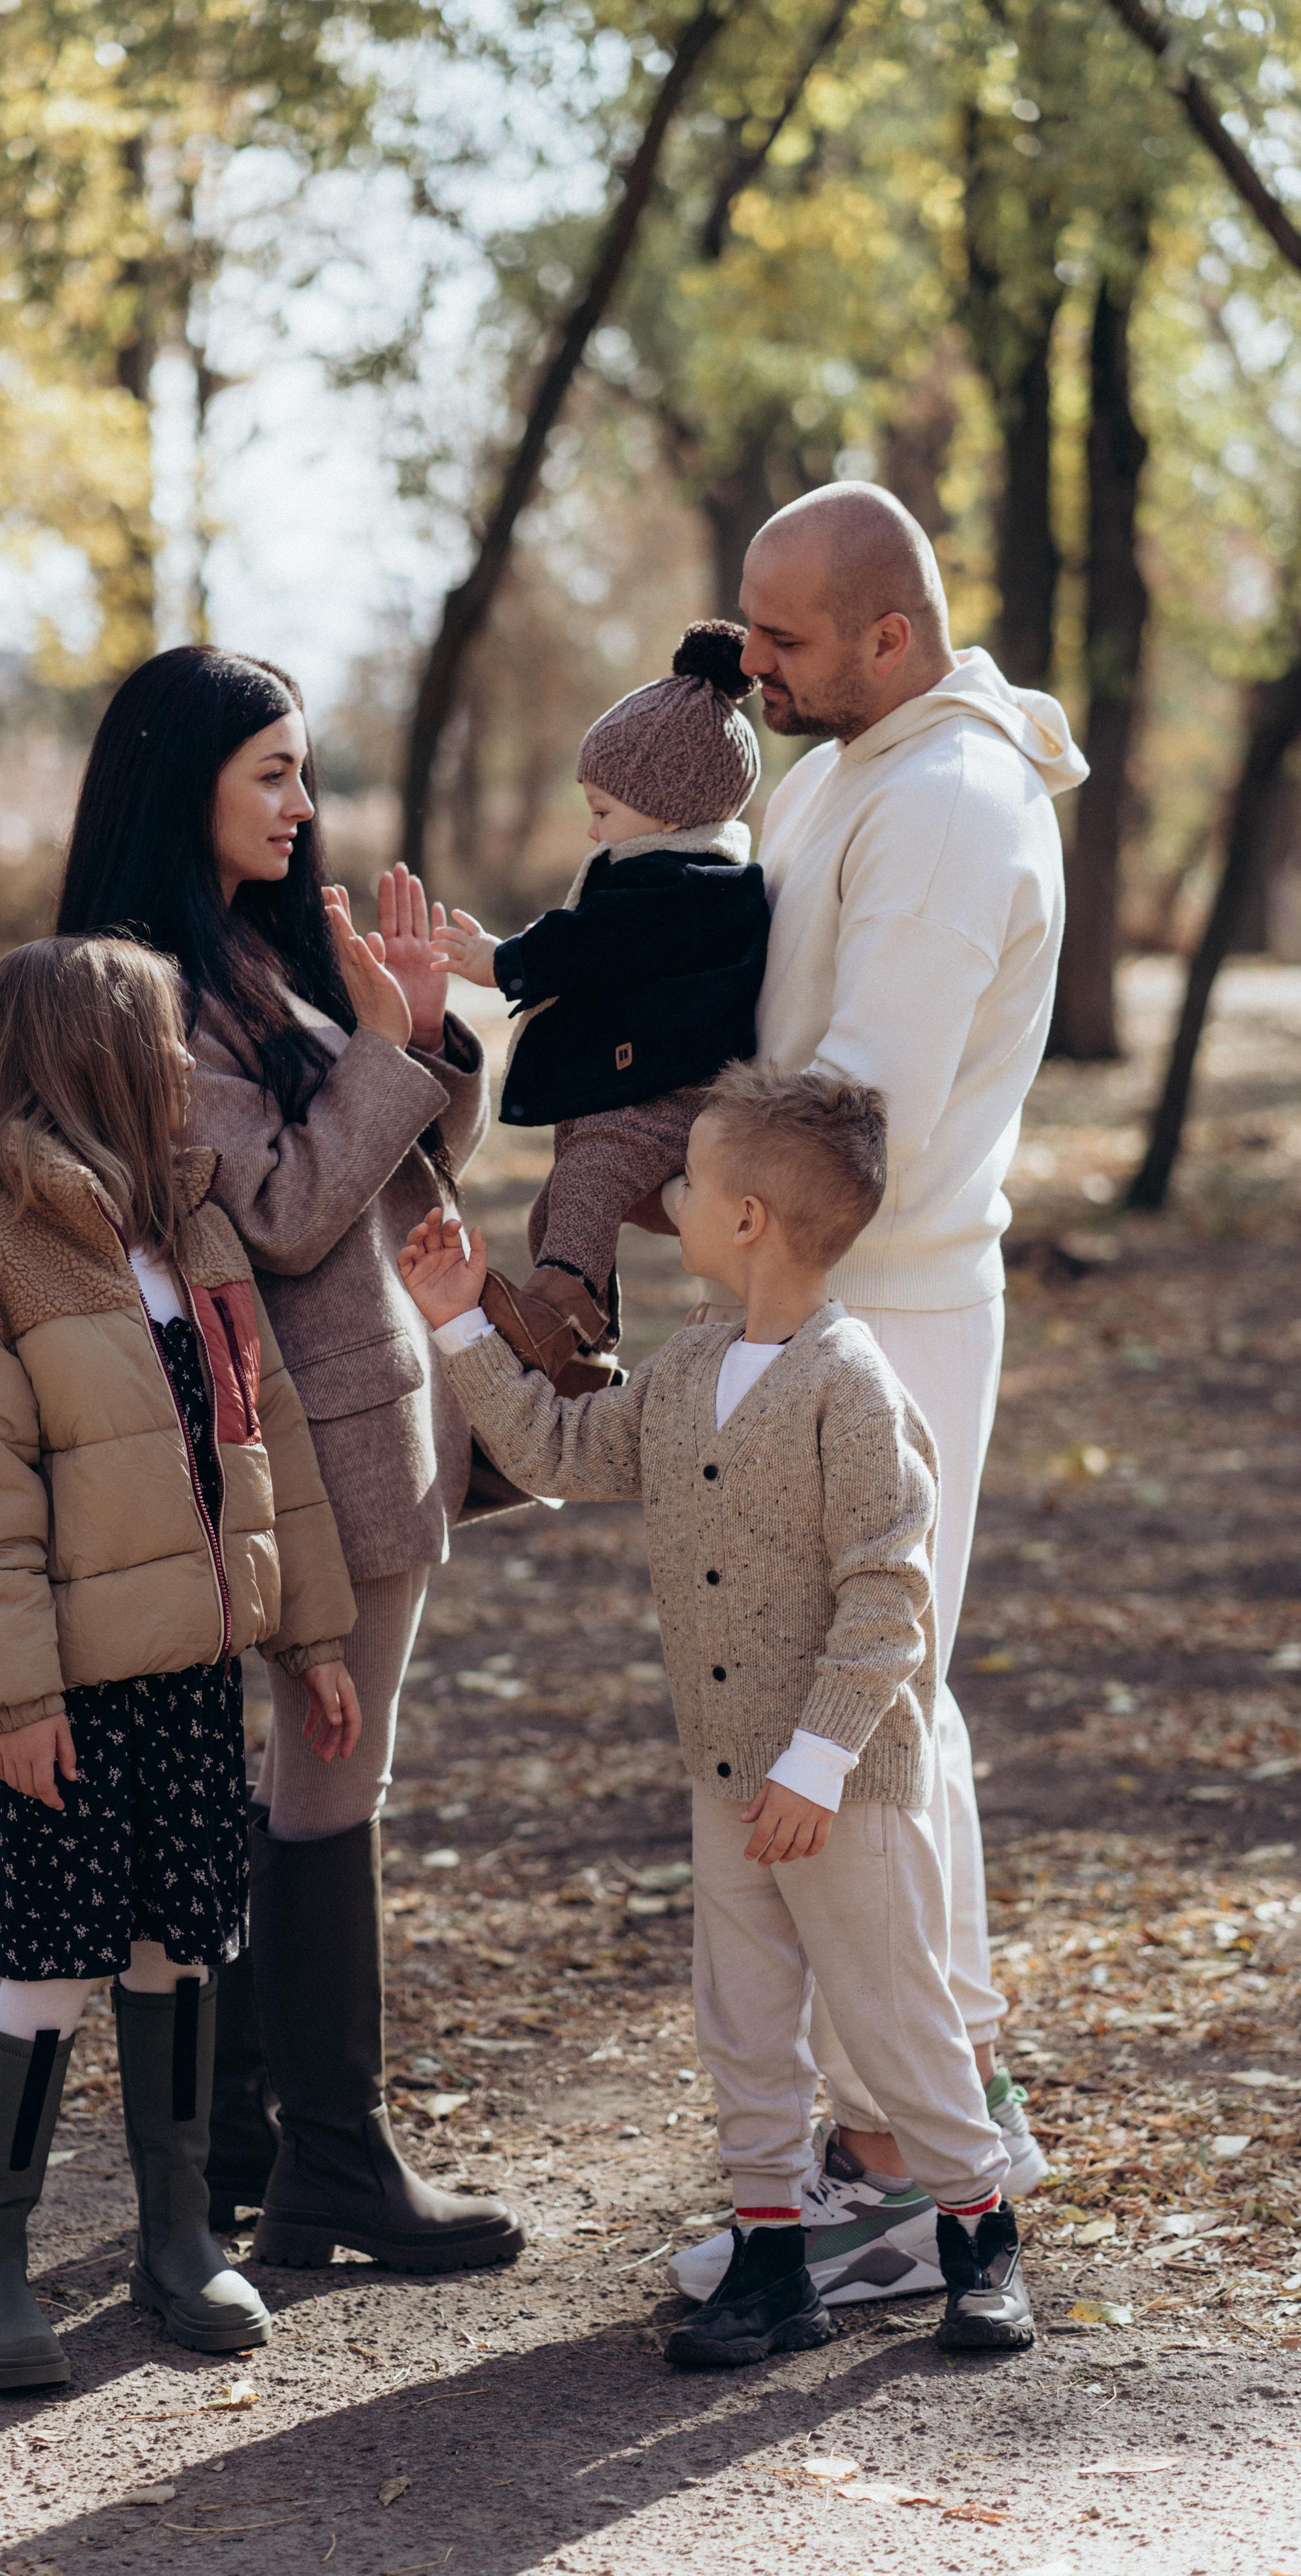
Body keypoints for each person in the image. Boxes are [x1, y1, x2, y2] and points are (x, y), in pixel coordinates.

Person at [400, 1065, 1035, 2365]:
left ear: (743, 1218)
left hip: (835, 1782)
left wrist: (816, 1762)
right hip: (723, 1769)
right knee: (740, 2019)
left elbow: (885, 1595)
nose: (666, 1194)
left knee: (889, 2010)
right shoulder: (691, 1364)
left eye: (686, 1176)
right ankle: (765, 2265)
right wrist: (461, 1322)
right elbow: (566, 1453)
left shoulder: (849, 1385)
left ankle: (978, 2234)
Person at [658, 484, 1084, 2310]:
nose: (749, 666)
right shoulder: (850, 760)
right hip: (801, 1295)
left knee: (862, 1733)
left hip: (873, 1310)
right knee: (900, 1717)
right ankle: (941, 2101)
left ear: (892, 637)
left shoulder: (951, 806)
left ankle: (915, 2173)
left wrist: (711, 1276)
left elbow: (855, 1125)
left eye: (788, 639)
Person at [54, 645, 523, 2275]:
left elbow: (388, 1161)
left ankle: (253, 2136)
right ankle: (336, 2156)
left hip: (361, 1419)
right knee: (332, 1771)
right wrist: (385, 1049)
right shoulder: (146, 998)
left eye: (302, 771)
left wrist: (421, 1035)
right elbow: (279, 1209)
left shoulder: (248, 957)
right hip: (292, 1454)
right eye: (270, 772)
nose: (300, 803)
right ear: (175, 781)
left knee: (293, 1776)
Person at [0, 936, 362, 2391]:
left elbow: (267, 1433)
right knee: (50, 1966)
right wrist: (15, 1697)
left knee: (180, 1945)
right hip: (72, 1695)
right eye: (158, 1045)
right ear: (82, 1061)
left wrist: (314, 1628)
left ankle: (178, 2232)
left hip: (194, 1675)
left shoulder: (195, 1236)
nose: (180, 1066)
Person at [433, 621, 767, 1391]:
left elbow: (590, 943)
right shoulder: (675, 883)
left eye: (604, 811)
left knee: (587, 1186)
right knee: (555, 1211)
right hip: (641, 1093)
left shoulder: (683, 890)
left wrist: (501, 963)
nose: (591, 829)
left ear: (669, 804)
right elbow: (600, 941)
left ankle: (558, 1310)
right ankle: (586, 1350)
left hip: (666, 1101)